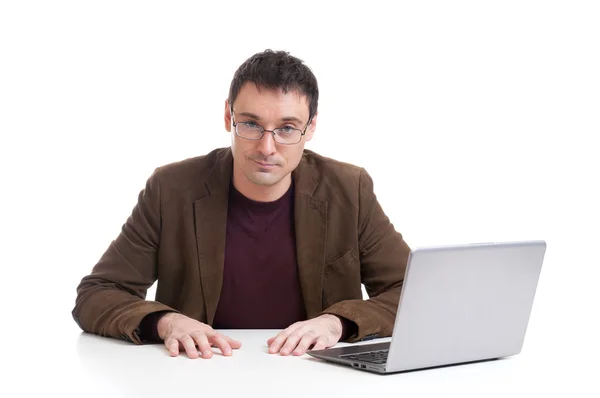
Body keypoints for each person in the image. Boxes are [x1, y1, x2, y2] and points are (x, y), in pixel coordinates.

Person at [72, 49, 411, 359]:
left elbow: (412, 293)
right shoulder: (170, 189)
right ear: (227, 116)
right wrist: (166, 322)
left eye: (287, 128)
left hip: (313, 376)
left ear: (311, 128)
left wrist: (339, 323)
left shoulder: (349, 189)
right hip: (200, 373)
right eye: (250, 124)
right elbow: (97, 294)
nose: (267, 147)